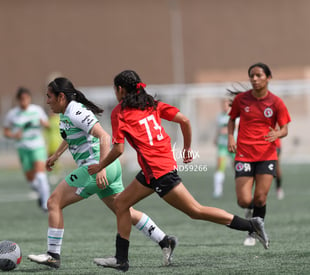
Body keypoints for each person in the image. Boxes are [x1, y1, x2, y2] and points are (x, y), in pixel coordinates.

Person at [88, 70, 269, 272]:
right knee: (121, 204)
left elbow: (119, 149)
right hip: (155, 168)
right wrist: (186, 148)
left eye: (115, 89)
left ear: (120, 90)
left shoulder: (119, 112)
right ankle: (122, 259)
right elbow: (185, 120)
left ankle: (251, 225)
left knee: (195, 211)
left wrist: (100, 166)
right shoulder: (151, 104)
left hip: (159, 172)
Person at [27, 77, 177, 269]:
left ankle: (52, 255)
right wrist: (56, 155)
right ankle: (165, 241)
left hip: (96, 167)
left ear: (61, 96)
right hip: (107, 168)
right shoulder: (66, 112)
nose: (47, 101)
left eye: (49, 97)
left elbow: (104, 137)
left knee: (53, 202)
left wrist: (101, 169)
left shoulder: (75, 111)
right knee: (123, 210)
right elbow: (71, 136)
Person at [227, 63, 291, 246]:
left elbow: (285, 128)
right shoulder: (241, 99)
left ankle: (254, 231)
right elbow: (232, 119)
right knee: (244, 200)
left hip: (266, 155)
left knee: (260, 198)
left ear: (268, 78)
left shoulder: (276, 102)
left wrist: (277, 134)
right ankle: (251, 214)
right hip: (244, 154)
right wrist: (231, 137)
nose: (254, 79)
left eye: (258, 75)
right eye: (251, 76)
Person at [3, 87, 51, 212]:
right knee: (31, 181)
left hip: (38, 146)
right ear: (18, 100)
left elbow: (48, 126)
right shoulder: (12, 114)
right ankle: (41, 193)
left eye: (27, 98)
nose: (24, 101)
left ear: (29, 98)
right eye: (22, 99)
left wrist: (44, 124)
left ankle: (46, 204)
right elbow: (5, 131)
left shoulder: (37, 110)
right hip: (22, 148)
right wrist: (14, 135)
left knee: (41, 175)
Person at [213, 98, 234, 198]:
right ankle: (218, 190)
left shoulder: (235, 115)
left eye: (227, 105)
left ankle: (241, 189)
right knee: (220, 166)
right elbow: (218, 129)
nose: (225, 107)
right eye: (223, 105)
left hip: (234, 146)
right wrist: (216, 138)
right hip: (222, 146)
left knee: (237, 168)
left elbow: (237, 127)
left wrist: (227, 130)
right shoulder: (219, 116)